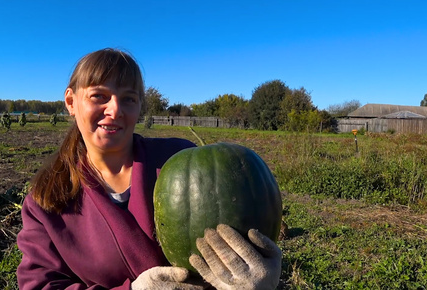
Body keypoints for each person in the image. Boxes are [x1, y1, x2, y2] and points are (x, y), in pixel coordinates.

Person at [16, 48, 282, 289]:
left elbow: (241, 234)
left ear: (140, 106)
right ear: (71, 102)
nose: (115, 109)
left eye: (129, 99)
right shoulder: (46, 199)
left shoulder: (177, 159)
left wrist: (260, 278)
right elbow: (39, 284)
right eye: (99, 96)